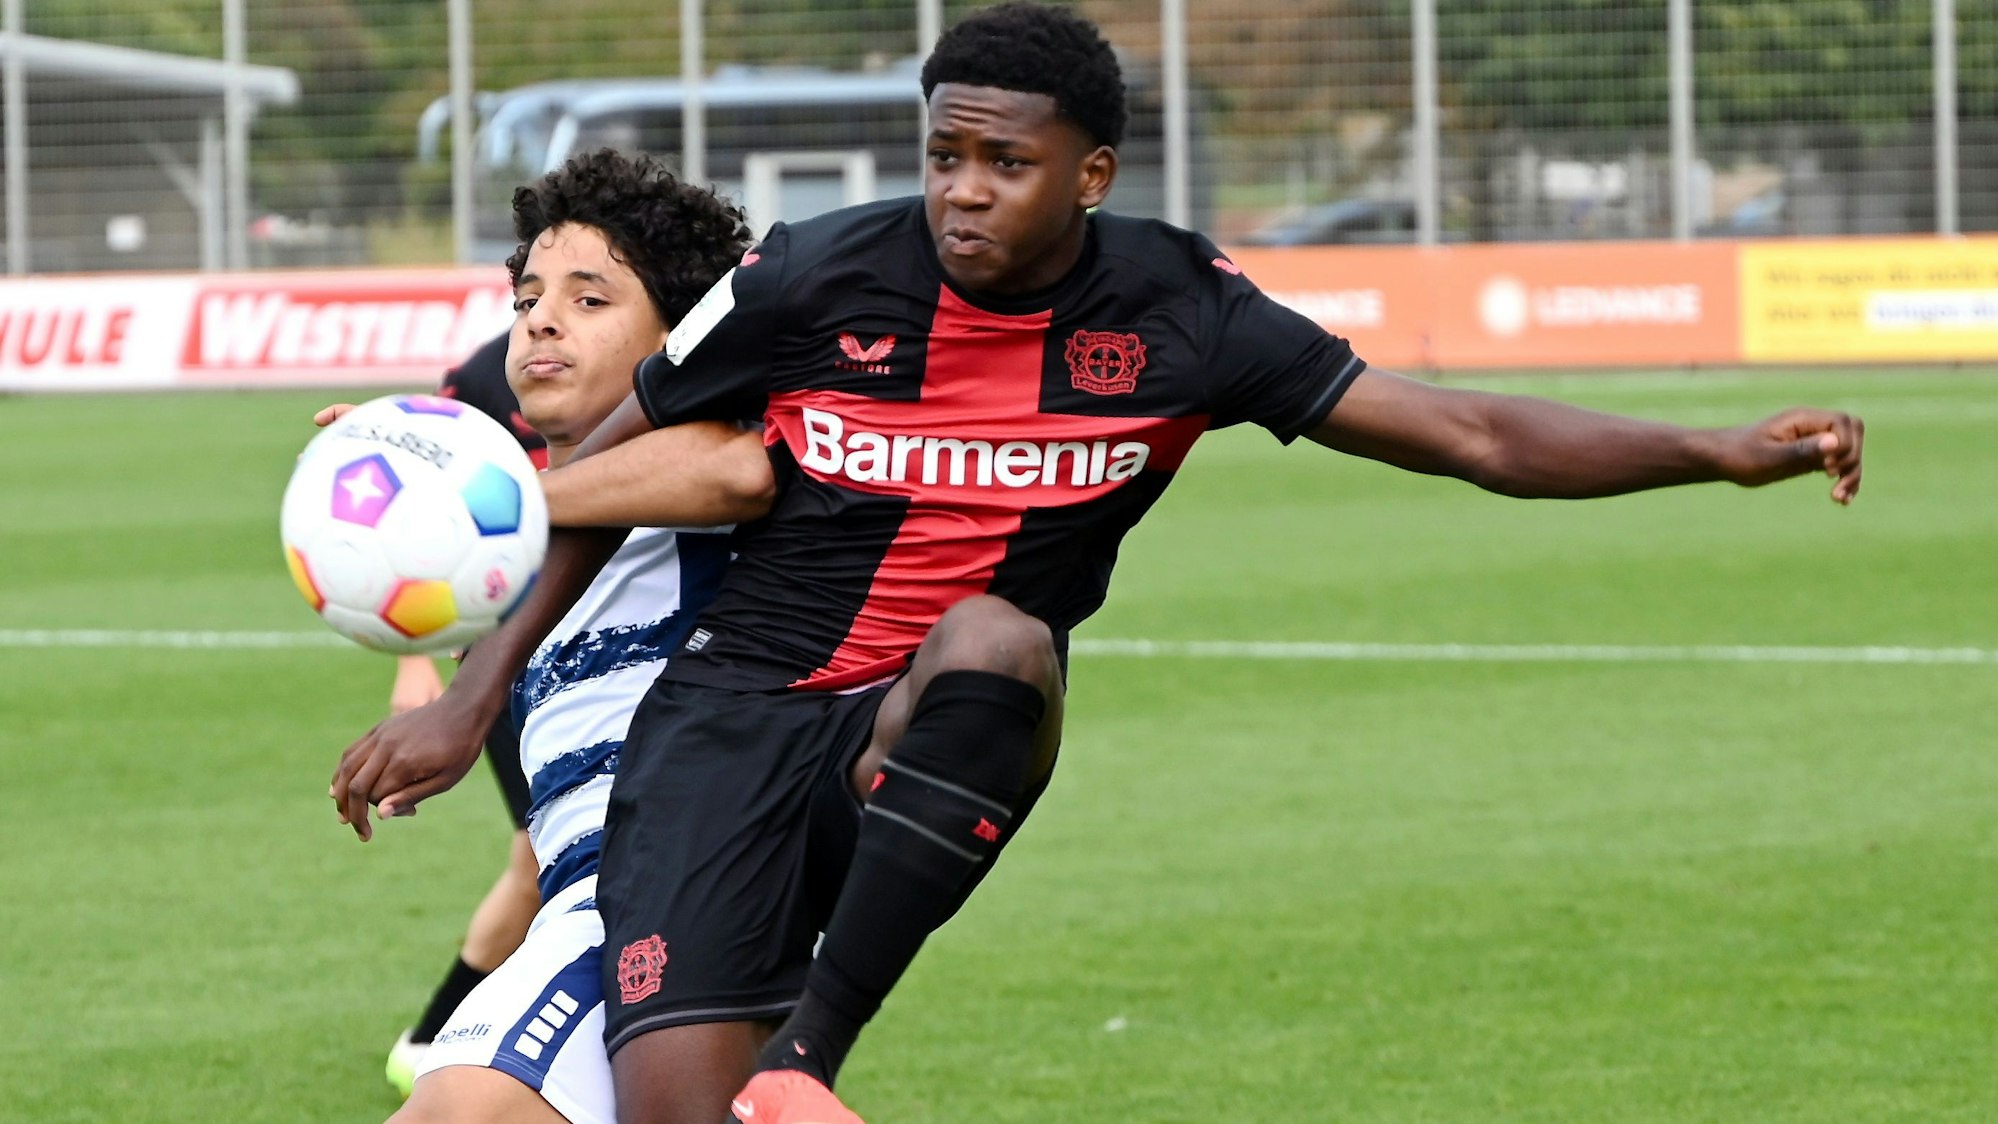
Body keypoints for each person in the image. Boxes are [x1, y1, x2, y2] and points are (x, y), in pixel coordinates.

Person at [330, 6, 1866, 1123]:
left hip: (912, 721)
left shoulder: (1184, 313)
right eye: (944, 155)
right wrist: (471, 699)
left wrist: (1718, 451)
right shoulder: (810, 278)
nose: (964, 191)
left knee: (1002, 637)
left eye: (1007, 161)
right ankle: (757, 1080)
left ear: (1092, 174)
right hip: (723, 730)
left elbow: (1463, 427)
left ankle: (814, 1063)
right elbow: (596, 467)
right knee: (675, 1114)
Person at [339, 147, 762, 1124]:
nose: (540, 316)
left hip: (655, 897)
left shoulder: (694, 464)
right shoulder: (522, 550)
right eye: (528, 293)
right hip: (595, 900)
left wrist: (490, 500)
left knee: (458, 1110)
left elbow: (733, 468)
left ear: (679, 339)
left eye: (590, 297)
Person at [384, 331, 550, 1100]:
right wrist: (417, 658)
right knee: (541, 861)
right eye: (532, 292)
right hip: (507, 660)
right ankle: (433, 1039)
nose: (545, 316)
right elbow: (414, 524)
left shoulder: (658, 366)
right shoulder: (487, 374)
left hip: (614, 655)